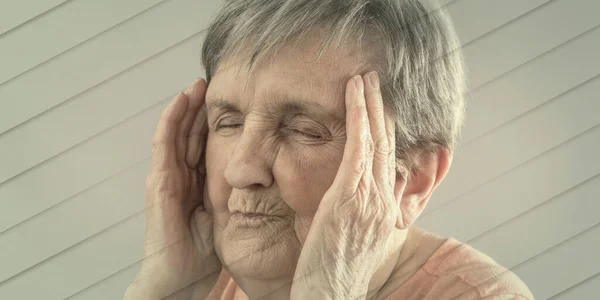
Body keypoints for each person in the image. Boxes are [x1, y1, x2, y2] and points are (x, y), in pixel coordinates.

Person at [124, 0, 535, 299]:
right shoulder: (208, 284)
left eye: (304, 129)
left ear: (412, 181)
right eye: (228, 123)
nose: (240, 169)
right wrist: (166, 293)